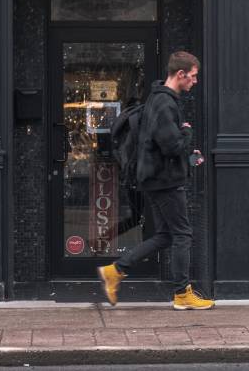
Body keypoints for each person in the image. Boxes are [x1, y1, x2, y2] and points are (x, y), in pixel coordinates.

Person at [97, 51, 214, 310]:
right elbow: (171, 146)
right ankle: (182, 294)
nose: (195, 81)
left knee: (165, 235)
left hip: (156, 178)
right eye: (193, 77)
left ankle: (115, 271)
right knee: (183, 234)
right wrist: (187, 131)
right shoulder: (164, 103)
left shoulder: (158, 98)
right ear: (180, 74)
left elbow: (163, 145)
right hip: (165, 181)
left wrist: (187, 152)